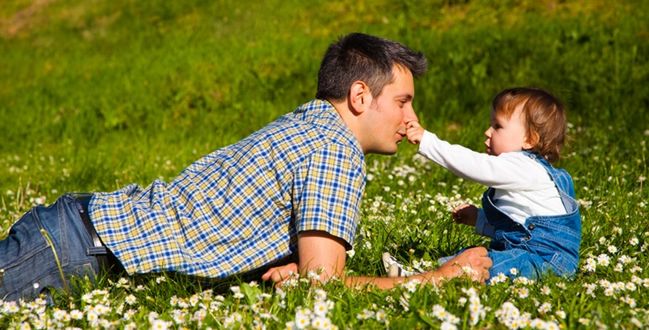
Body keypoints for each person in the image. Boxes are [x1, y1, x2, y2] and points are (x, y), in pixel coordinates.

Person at [0, 33, 492, 301]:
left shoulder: (310, 124)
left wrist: (294, 270)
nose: (412, 120)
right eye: (403, 102)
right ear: (360, 96)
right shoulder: (335, 149)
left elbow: (304, 267)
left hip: (75, 236)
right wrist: (437, 278)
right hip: (74, 251)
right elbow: (327, 285)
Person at [382, 87, 581, 281]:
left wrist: (429, 142)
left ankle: (428, 280)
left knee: (486, 264)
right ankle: (421, 274)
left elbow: (475, 165)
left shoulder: (524, 167)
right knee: (472, 255)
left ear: (529, 139)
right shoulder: (526, 170)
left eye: (497, 126)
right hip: (528, 252)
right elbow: (517, 226)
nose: (487, 132)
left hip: (545, 261)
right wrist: (479, 219)